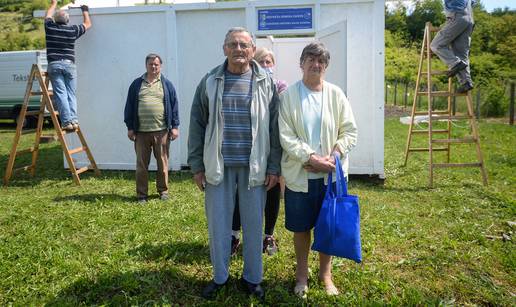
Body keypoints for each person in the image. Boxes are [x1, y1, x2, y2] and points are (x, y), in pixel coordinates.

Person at [188, 27, 281, 300]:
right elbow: (196, 123)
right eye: (233, 44)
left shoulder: (266, 82)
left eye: (244, 44)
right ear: (224, 48)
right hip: (219, 165)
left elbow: (275, 127)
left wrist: (274, 166)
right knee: (218, 225)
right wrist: (196, 165)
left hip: (255, 167)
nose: (238, 49)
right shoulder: (209, 81)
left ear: (252, 49)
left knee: (254, 225)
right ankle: (220, 277)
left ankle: (253, 278)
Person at [278, 42, 357, 298]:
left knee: (328, 226)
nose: (316, 64)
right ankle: (301, 276)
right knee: (301, 229)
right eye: (310, 59)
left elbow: (349, 131)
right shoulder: (289, 96)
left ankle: (325, 274)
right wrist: (310, 157)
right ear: (301, 63)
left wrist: (334, 155)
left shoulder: (336, 95)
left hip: (330, 176)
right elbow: (286, 136)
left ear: (326, 66)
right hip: (300, 176)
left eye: (321, 60)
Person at [231, 47, 287, 256]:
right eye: (261, 62)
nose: (265, 66)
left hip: (273, 151)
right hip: (249, 153)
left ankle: (268, 236)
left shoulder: (281, 87)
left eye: (269, 62)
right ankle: (234, 235)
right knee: (239, 194)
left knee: (272, 194)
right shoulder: (249, 85)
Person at [124, 54, 179, 203]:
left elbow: (174, 106)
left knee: (162, 164)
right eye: (151, 64)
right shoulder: (136, 84)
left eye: (156, 64)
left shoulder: (167, 85)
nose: (153, 67)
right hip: (141, 133)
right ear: (146, 65)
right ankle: (142, 194)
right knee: (142, 165)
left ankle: (163, 191)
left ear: (160, 66)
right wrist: (130, 127)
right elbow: (129, 107)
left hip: (161, 131)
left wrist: (175, 127)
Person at [44, 0, 91, 131]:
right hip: (69, 65)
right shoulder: (72, 30)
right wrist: (85, 10)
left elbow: (48, 15)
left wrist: (54, 3)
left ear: (55, 20)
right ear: (67, 20)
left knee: (61, 93)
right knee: (71, 94)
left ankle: (66, 122)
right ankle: (74, 120)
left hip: (54, 64)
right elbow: (88, 24)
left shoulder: (50, 27)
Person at [430, 0, 475, 93]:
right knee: (462, 53)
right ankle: (466, 82)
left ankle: (455, 63)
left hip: (457, 15)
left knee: (436, 45)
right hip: (469, 19)